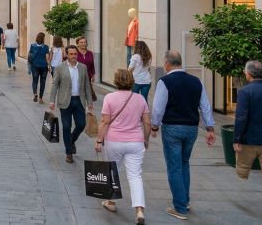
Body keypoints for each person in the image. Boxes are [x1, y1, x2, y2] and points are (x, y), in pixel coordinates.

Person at [150, 50, 215, 220]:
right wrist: (210, 128)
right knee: (184, 163)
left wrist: (154, 126)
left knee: (174, 167)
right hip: (192, 129)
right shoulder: (196, 81)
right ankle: (184, 200)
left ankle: (179, 208)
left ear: (166, 64)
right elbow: (205, 106)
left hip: (172, 127)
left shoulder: (164, 81)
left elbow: (158, 108)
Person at [95, 69, 151, 224]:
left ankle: (112, 202)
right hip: (135, 142)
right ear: (132, 81)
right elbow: (146, 122)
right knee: (135, 175)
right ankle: (139, 210)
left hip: (114, 141)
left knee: (114, 171)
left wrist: (99, 140)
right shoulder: (140, 99)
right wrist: (145, 140)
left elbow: (105, 121)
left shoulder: (109, 98)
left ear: (115, 81)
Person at [49, 45, 94, 163]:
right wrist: (51, 101)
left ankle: (71, 140)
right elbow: (54, 85)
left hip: (79, 101)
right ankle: (69, 152)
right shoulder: (60, 68)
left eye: (75, 54)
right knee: (67, 127)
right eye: (71, 54)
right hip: (65, 102)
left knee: (81, 124)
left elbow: (87, 86)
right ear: (67, 55)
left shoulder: (83, 68)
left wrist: (89, 101)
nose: (74, 56)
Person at [233, 60, 262, 218]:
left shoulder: (245, 91)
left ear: (248, 74)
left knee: (242, 170)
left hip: (250, 139)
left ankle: (239, 193)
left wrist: (237, 139)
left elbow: (241, 117)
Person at [29, 33, 50, 103]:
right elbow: (47, 58)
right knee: (43, 82)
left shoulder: (33, 45)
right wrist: (49, 66)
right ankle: (40, 98)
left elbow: (29, 54)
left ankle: (35, 93)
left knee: (35, 81)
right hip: (44, 66)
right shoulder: (46, 47)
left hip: (35, 66)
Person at [77, 36, 97, 102]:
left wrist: (93, 75)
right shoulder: (75, 53)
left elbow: (92, 65)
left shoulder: (90, 53)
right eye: (81, 42)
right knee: (79, 93)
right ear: (77, 44)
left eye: (85, 42)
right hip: (77, 77)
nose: (83, 44)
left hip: (88, 77)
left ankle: (89, 110)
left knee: (89, 94)